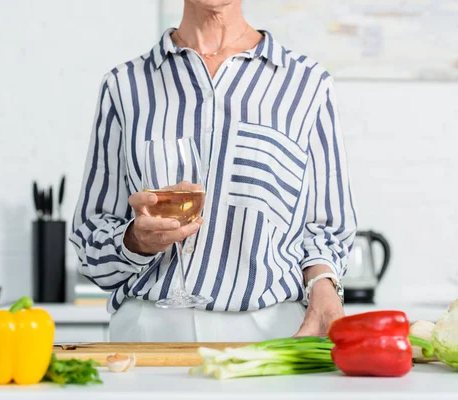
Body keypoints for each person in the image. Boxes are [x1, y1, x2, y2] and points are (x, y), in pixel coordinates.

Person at [70, 0, 357, 342]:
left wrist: (324, 288)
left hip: (269, 337)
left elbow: (329, 228)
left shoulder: (307, 84)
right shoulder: (125, 85)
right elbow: (91, 240)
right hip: (149, 335)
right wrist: (135, 241)